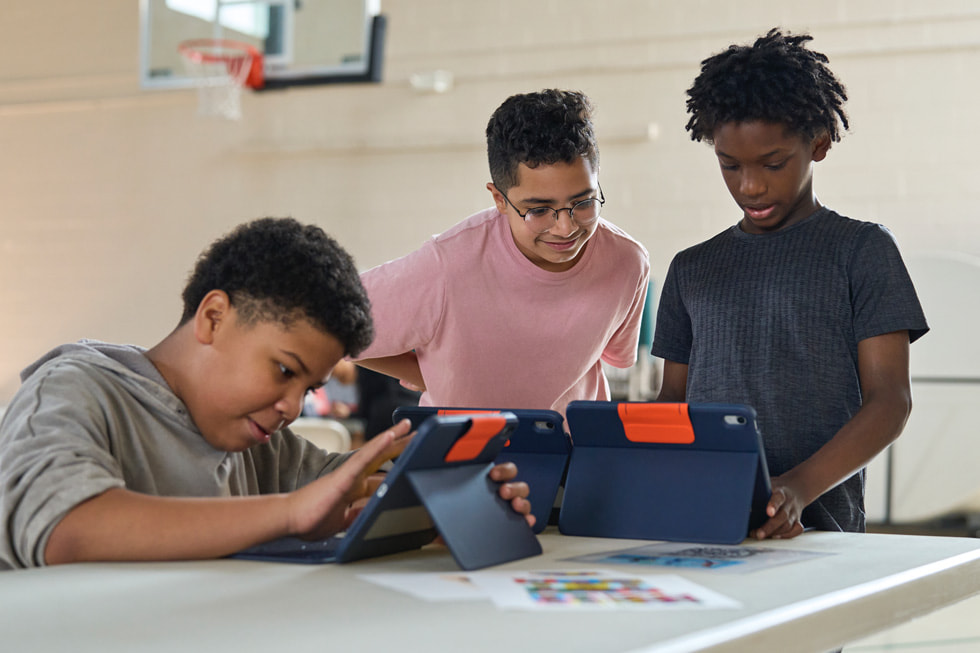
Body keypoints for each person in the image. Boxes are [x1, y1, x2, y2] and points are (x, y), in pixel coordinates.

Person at [0, 218, 532, 570]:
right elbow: (65, 528)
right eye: (283, 370)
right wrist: (289, 512)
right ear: (213, 317)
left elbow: (341, 488)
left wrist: (442, 489)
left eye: (309, 388)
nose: (292, 408)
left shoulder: (257, 443)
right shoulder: (75, 390)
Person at [652, 29, 929, 539]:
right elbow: (672, 399)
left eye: (773, 164)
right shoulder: (691, 268)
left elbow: (891, 401)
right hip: (705, 525)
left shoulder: (862, 251)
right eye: (729, 165)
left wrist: (798, 488)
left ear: (818, 143)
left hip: (822, 538)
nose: (750, 185)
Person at [353, 89, 650, 416]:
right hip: (469, 443)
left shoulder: (628, 263)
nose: (565, 228)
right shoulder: (448, 265)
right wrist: (425, 373)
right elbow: (331, 319)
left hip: (573, 443)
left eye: (583, 202)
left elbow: (614, 357)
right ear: (499, 200)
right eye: (539, 210)